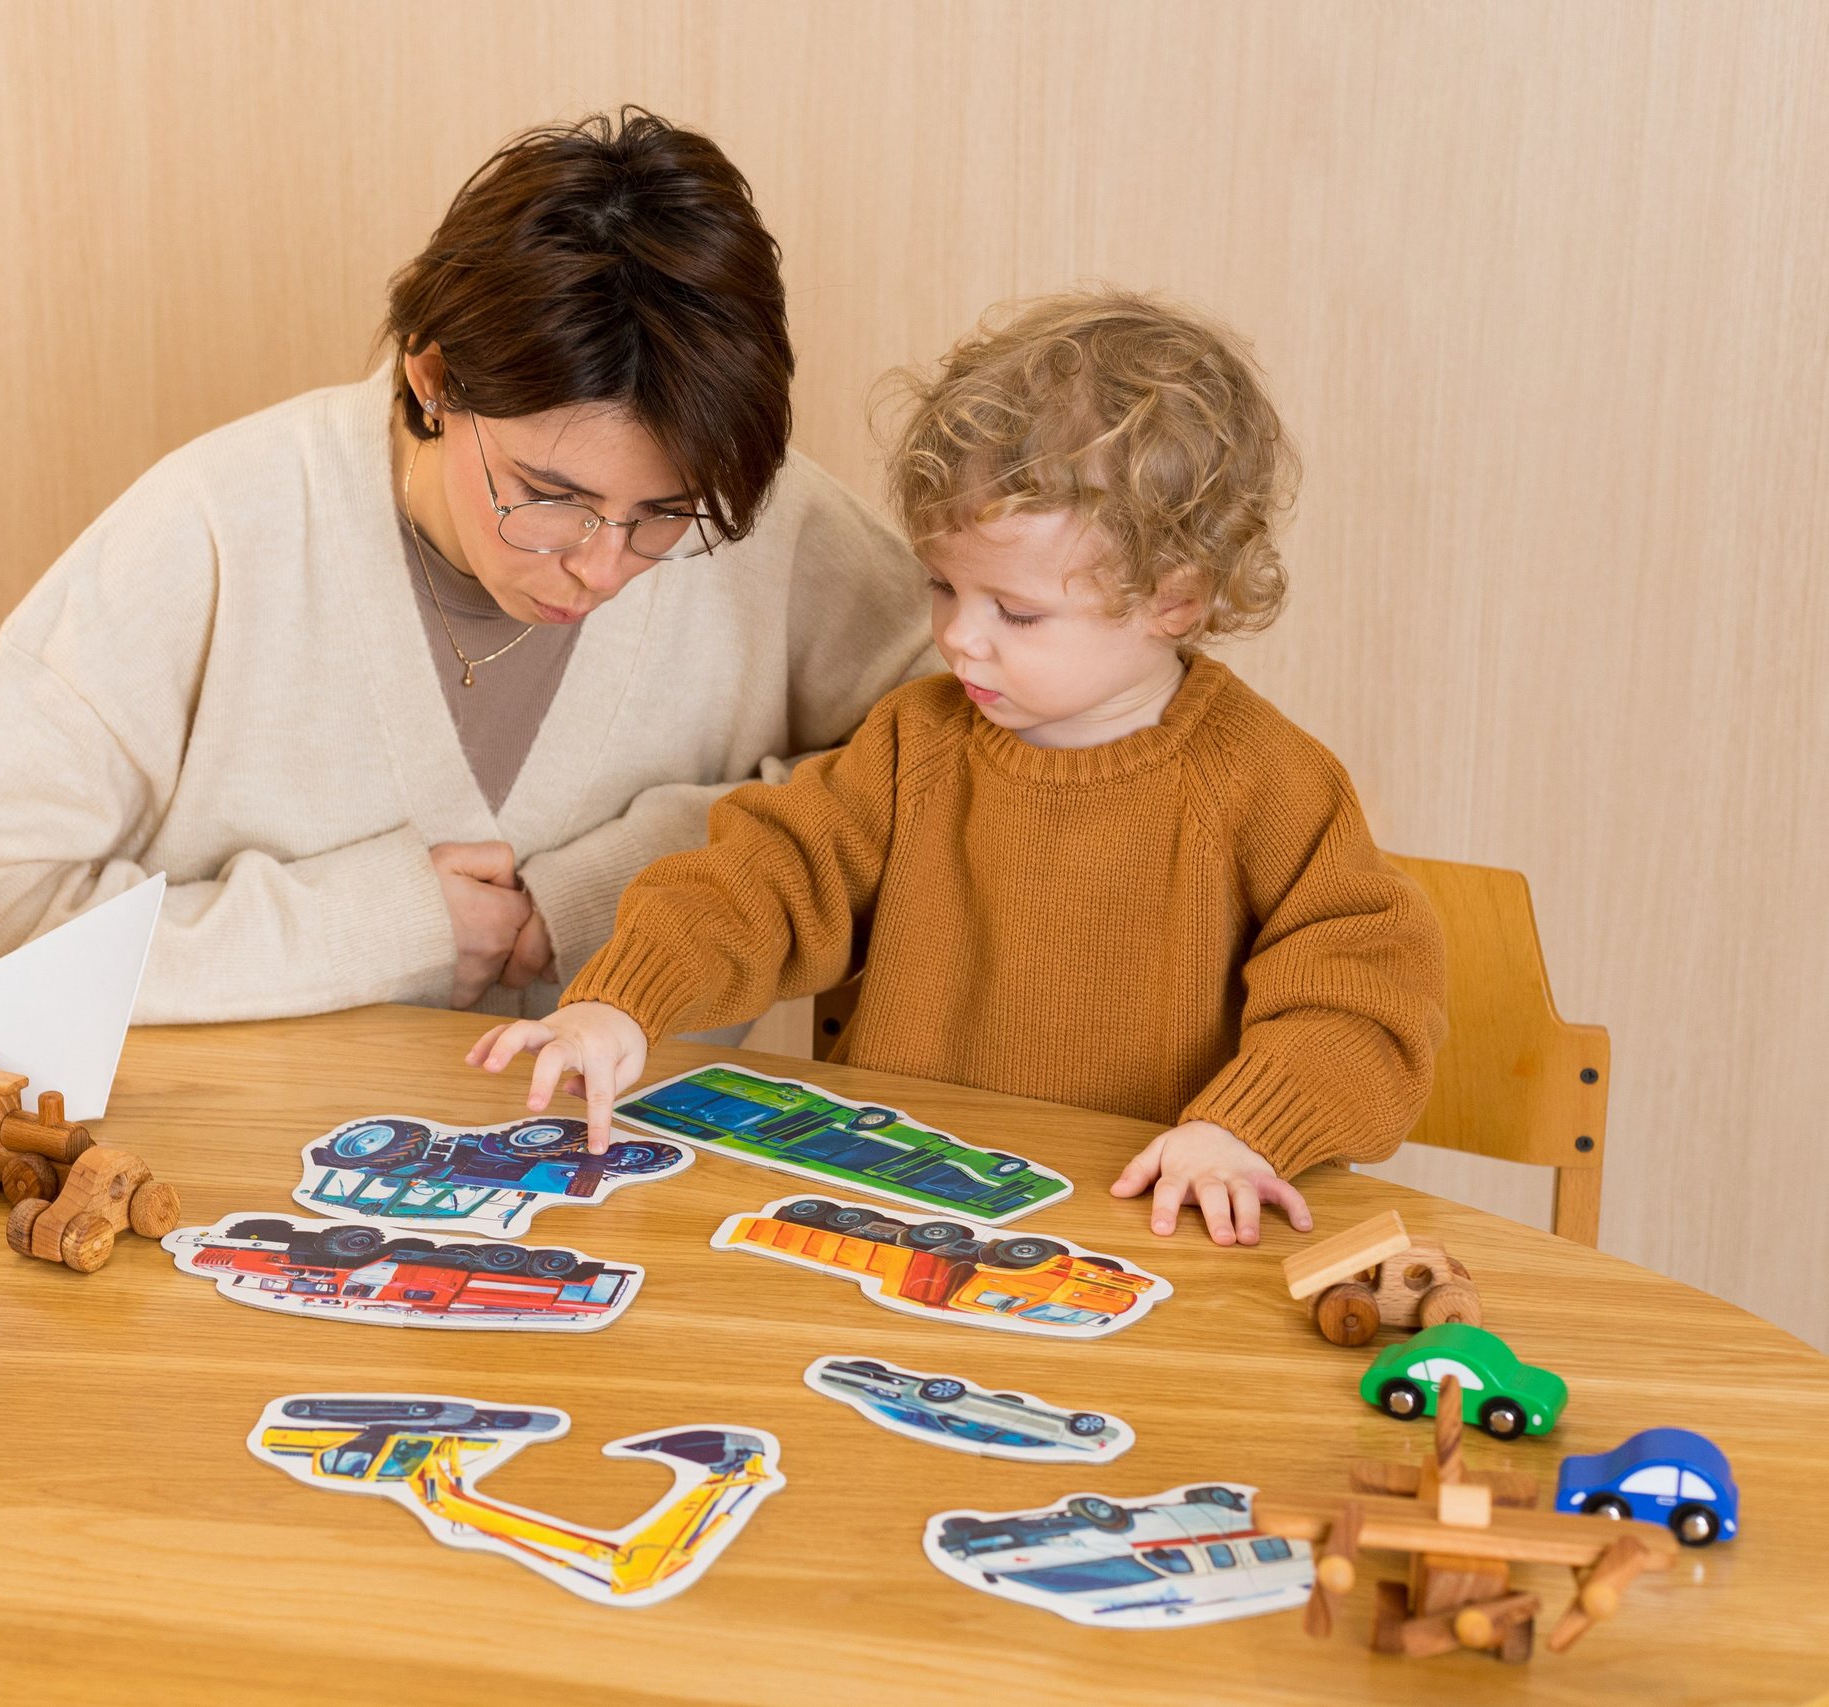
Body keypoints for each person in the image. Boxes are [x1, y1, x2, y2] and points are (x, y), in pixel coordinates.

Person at [0, 110, 932, 1024]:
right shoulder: (213, 530)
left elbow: (956, 770)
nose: (601, 568)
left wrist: (632, 879)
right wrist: (376, 926)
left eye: (661, 517)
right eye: (549, 499)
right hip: (219, 1200)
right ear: (432, 381)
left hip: (640, 1210)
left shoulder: (767, 516)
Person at [468, 289, 1448, 1246]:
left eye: (1014, 612)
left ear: (1176, 600)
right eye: (942, 586)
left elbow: (1361, 997)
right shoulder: (918, 743)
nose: (958, 639)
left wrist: (1243, 1129)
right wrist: (621, 999)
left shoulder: (1265, 782)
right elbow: (758, 879)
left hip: (1151, 1233)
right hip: (902, 1220)